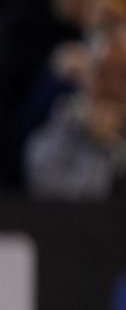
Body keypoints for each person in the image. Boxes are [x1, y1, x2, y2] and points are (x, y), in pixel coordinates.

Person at [26, 19, 126, 200]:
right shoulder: (61, 123)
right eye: (103, 73)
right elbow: (53, 196)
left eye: (124, 75)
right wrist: (99, 148)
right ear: (86, 75)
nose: (114, 88)